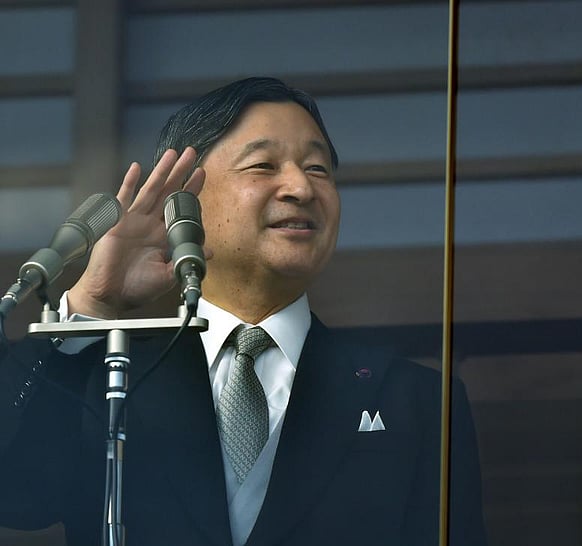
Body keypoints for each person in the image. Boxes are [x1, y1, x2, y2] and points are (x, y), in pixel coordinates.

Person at [0, 77, 487, 546]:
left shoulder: (418, 404)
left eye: (318, 169)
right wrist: (92, 306)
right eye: (263, 166)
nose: (300, 187)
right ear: (183, 200)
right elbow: (18, 499)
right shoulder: (109, 375)